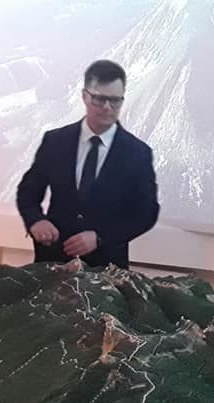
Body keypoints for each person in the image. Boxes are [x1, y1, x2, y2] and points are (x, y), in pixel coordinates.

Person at [16, 59, 159, 269]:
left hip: (108, 269)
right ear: (85, 96)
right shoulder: (55, 141)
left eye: (115, 101)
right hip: (53, 263)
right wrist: (36, 220)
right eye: (99, 99)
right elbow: (28, 192)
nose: (107, 107)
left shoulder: (137, 153)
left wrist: (100, 237)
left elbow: (146, 213)